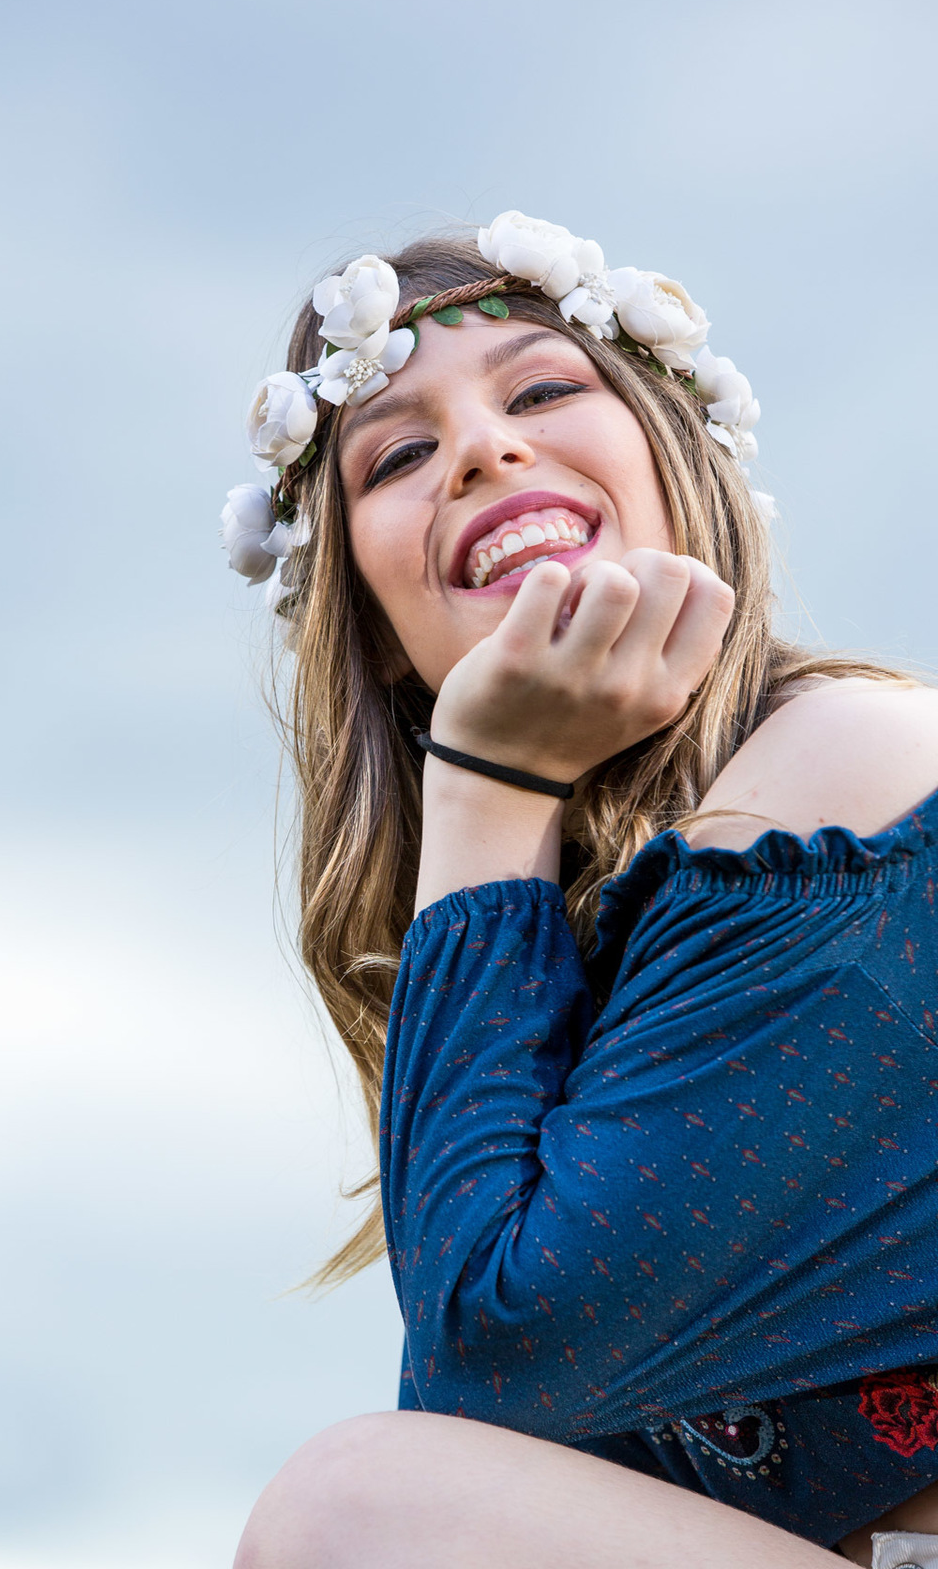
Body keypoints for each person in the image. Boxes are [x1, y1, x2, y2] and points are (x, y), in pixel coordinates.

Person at [220, 213, 938, 1569]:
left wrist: (486, 786)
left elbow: (498, 1373)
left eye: (544, 389)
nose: (483, 449)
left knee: (352, 1514)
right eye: (399, 455)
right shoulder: (589, 933)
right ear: (372, 625)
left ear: (679, 462)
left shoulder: (845, 766)